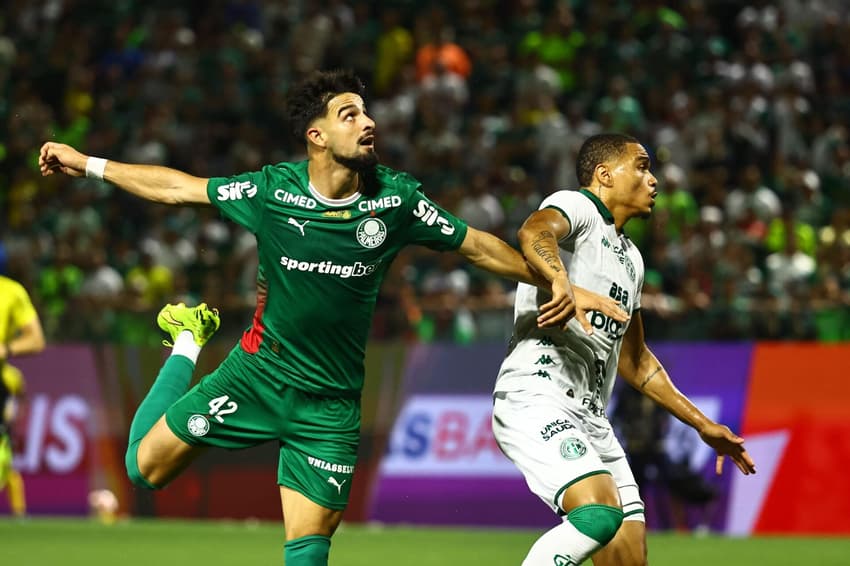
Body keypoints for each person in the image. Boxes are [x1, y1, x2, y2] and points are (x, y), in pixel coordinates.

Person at [38, 69, 625, 566]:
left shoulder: (395, 202)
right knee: (144, 471)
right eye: (350, 114)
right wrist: (86, 162)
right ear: (316, 135)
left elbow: (477, 246)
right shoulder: (272, 191)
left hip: (331, 408)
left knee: (308, 551)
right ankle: (188, 342)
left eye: (367, 112)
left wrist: (557, 279)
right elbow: (178, 189)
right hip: (255, 376)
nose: (367, 122)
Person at [492, 133, 756, 566]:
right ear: (604, 174)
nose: (653, 179)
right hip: (538, 395)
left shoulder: (632, 259)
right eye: (642, 165)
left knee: (628, 557)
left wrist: (702, 425)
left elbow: (636, 362)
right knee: (598, 513)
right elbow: (535, 230)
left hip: (592, 419)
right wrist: (561, 281)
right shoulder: (578, 208)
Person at [0, 274, 47, 517]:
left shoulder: (10, 291)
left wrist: (5, 349)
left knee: (4, 464)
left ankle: (18, 515)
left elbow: (36, 339)